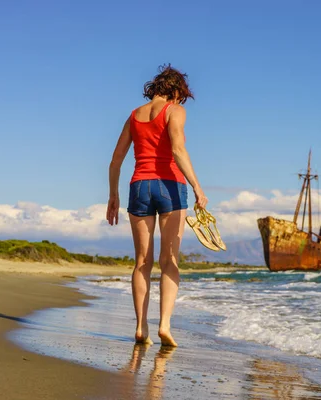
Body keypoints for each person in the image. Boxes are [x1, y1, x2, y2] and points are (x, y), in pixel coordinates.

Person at [106, 64, 208, 347]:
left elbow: (115, 161)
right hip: (170, 185)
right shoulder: (175, 111)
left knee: (142, 261)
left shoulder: (134, 116)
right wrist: (198, 187)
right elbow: (177, 149)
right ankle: (164, 325)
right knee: (169, 261)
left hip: (139, 186)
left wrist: (112, 196)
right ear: (176, 90)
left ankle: (141, 327)